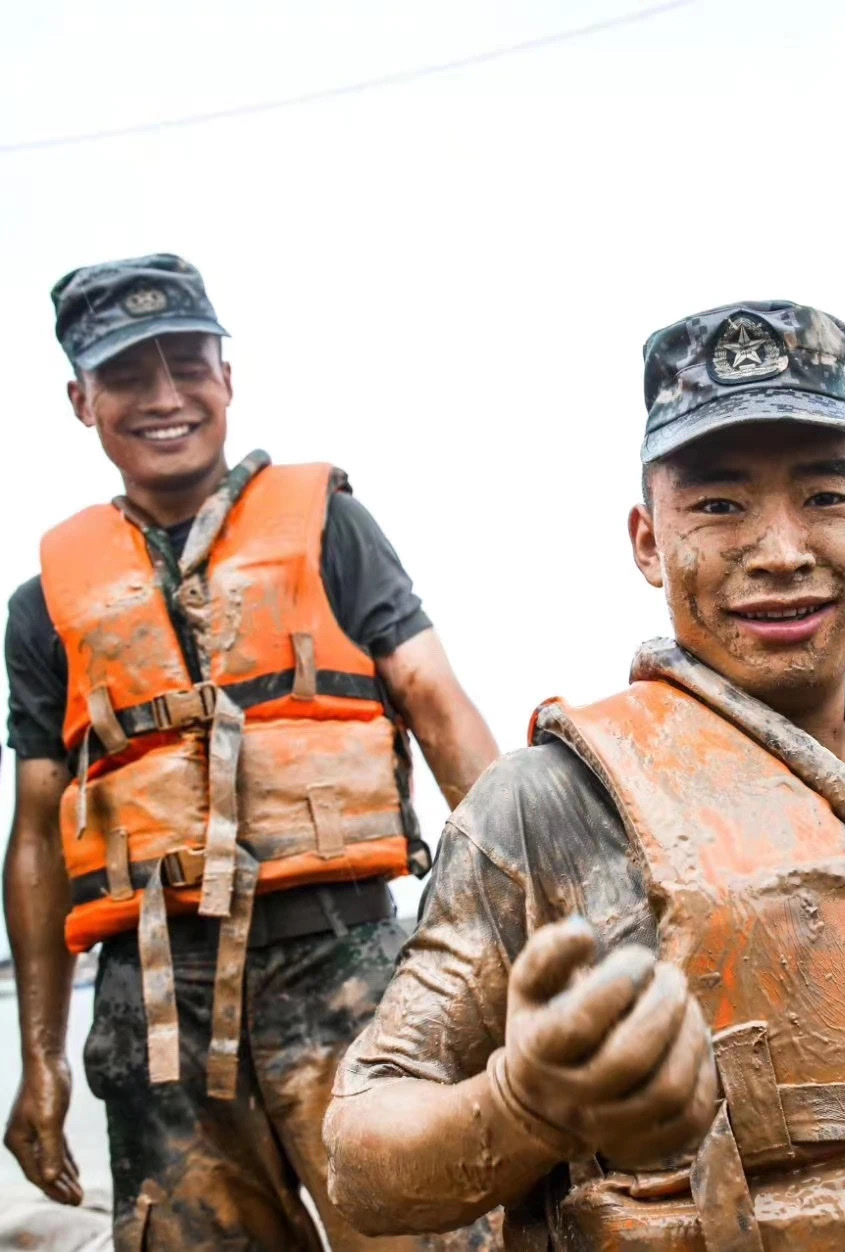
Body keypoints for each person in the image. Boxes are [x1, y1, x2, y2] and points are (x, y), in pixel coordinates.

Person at [324, 300, 845, 1249]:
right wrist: (528, 1105)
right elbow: (362, 1155)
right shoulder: (545, 805)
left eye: (826, 496)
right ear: (648, 541)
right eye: (719, 506)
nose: (782, 551)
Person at [3, 253, 500, 1250]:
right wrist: (42, 1059)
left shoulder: (331, 524)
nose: (165, 397)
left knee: (431, 1232)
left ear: (228, 374)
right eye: (127, 377)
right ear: (78, 399)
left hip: (351, 966)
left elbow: (440, 707)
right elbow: (37, 836)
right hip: (152, 1005)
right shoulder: (42, 606)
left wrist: (522, 944)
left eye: (186, 363)